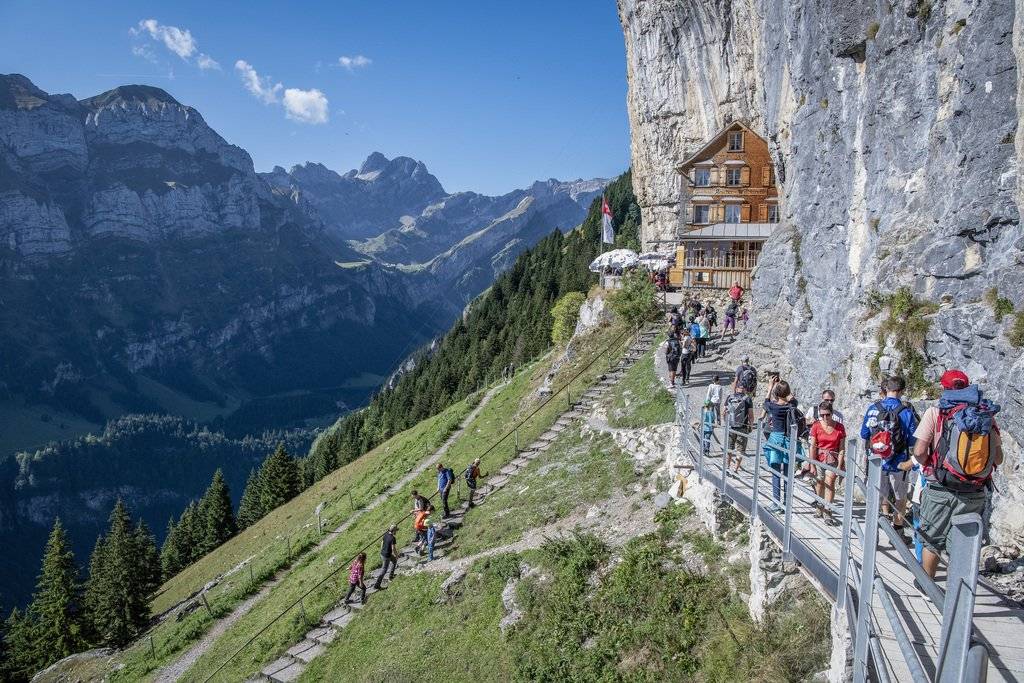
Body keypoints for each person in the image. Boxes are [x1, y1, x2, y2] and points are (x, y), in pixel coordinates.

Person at [912, 370, 1003, 579]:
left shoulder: (936, 412)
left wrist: (932, 466)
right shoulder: (985, 414)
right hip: (975, 490)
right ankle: (959, 594)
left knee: (931, 539)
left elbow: (918, 451)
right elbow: (998, 459)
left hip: (940, 487)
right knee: (961, 544)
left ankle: (928, 586)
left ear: (944, 388)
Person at [859, 375, 918, 531]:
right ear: (901, 391)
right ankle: (898, 533)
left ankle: (873, 534)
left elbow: (864, 434)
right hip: (899, 463)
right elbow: (913, 440)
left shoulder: (873, 409)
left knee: (875, 499)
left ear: (886, 389)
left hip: (876, 462)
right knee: (900, 498)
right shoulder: (906, 412)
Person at [762, 378, 801, 511]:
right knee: (788, 474)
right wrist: (787, 392)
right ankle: (786, 504)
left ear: (776, 393)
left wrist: (770, 387)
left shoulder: (774, 407)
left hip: (776, 439)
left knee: (776, 472)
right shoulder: (792, 405)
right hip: (789, 440)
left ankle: (776, 503)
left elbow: (765, 403)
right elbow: (793, 399)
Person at [809, 402, 846, 524]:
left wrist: (840, 465)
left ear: (832, 413)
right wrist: (812, 464)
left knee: (829, 483)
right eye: (822, 415)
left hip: (833, 459)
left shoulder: (839, 427)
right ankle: (820, 504)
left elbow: (841, 448)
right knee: (819, 483)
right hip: (819, 458)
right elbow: (813, 446)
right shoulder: (816, 426)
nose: (825, 418)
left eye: (827, 415)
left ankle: (827, 510)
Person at [723, 385, 753, 473]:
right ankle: (735, 469)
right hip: (742, 427)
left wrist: (726, 423)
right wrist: (750, 426)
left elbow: (723, 412)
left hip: (731, 426)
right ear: (745, 389)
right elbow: (751, 416)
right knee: (740, 450)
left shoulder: (730, 397)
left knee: (729, 447)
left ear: (736, 389)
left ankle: (727, 466)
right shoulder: (747, 399)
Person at [372, 525, 399, 589]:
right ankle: (377, 585)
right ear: (394, 531)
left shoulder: (386, 534)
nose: (396, 532)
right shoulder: (392, 538)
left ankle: (391, 576)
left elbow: (382, 543)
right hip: (387, 556)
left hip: (383, 553)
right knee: (384, 570)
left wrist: (382, 550)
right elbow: (393, 548)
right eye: (396, 531)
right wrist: (396, 555)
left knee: (394, 561)